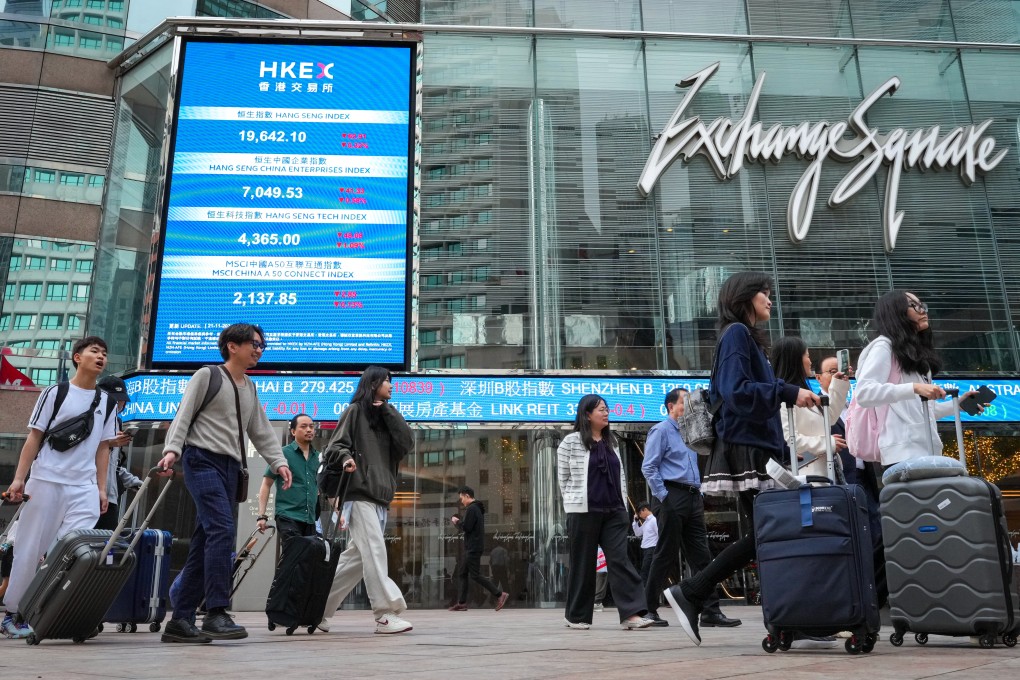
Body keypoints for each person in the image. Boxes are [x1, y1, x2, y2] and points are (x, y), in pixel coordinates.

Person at [664, 272, 820, 646]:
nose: (770, 299)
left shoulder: (743, 337)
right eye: (764, 293)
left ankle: (783, 616)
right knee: (773, 530)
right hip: (749, 447)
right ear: (745, 297)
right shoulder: (736, 334)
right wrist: (787, 391)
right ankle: (695, 592)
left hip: (756, 446)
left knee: (769, 532)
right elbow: (736, 391)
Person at [156, 323, 292, 644]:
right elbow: (184, 414)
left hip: (231, 468)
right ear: (232, 345)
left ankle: (180, 620)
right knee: (222, 530)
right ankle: (216, 610)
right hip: (201, 459)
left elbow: (260, 429)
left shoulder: (250, 387)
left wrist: (280, 462)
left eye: (262, 345)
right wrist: (172, 450)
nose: (259, 350)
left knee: (205, 540)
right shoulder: (208, 375)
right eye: (254, 344)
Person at [2, 336, 118, 639]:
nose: (101, 357)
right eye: (94, 351)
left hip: (84, 486)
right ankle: (14, 612)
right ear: (78, 357)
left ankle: (53, 609)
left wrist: (101, 489)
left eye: (104, 353)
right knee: (29, 547)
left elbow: (103, 448)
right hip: (45, 480)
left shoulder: (107, 402)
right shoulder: (56, 392)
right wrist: (19, 478)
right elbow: (34, 437)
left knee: (73, 549)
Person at [319, 366, 415, 635]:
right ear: (373, 384)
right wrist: (347, 458)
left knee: (357, 560)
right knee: (374, 549)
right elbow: (335, 446)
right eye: (386, 381)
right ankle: (385, 614)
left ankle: (314, 608)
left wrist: (387, 410)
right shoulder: (354, 412)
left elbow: (407, 443)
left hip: (380, 497)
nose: (391, 385)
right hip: (358, 493)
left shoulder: (387, 416)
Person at [641, 388, 741, 629]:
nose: (689, 406)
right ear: (671, 407)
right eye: (684, 402)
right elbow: (649, 467)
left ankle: (710, 611)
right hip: (671, 495)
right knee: (665, 554)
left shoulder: (692, 431)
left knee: (702, 556)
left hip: (693, 496)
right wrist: (664, 497)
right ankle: (648, 609)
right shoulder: (661, 431)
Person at [557, 394, 653, 631]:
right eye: (601, 409)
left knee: (620, 560)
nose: (606, 412)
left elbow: (620, 476)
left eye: (607, 408)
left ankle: (631, 614)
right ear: (587, 414)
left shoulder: (613, 442)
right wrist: (573, 502)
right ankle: (576, 616)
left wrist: (623, 505)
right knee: (583, 563)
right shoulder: (570, 442)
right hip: (583, 512)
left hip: (614, 511)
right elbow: (563, 479)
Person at [855, 290, 982, 466]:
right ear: (896, 312)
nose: (923, 310)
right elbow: (864, 393)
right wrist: (915, 388)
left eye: (922, 305)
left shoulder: (914, 354)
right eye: (914, 306)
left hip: (928, 448)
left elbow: (924, 411)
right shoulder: (884, 346)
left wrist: (958, 405)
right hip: (902, 451)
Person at [816, 355, 888, 609]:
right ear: (819, 378)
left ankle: (874, 595)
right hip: (840, 480)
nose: (837, 374)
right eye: (831, 371)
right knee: (853, 538)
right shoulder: (818, 406)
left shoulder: (854, 404)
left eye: (841, 370)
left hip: (864, 478)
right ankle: (855, 596)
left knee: (878, 535)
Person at [256, 414, 348, 544]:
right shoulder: (282, 454)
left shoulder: (319, 458)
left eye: (311, 426)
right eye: (303, 426)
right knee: (295, 550)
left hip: (310, 519)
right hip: (288, 516)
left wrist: (339, 513)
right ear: (293, 431)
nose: (309, 430)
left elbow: (327, 489)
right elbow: (266, 484)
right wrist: (261, 515)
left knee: (306, 555)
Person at [772, 338, 849, 479]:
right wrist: (828, 442)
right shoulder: (784, 399)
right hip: (807, 478)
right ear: (795, 360)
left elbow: (829, 417)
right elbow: (788, 440)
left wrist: (838, 383)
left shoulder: (803, 393)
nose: (810, 361)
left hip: (826, 474)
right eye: (807, 356)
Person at [448, 486, 509, 612]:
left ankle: (499, 594)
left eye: (462, 498)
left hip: (473, 547)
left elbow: (467, 527)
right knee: (462, 573)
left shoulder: (472, 509)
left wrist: (456, 522)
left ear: (467, 496)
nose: (461, 501)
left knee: (475, 575)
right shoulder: (476, 508)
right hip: (473, 546)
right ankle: (462, 603)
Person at [94, 375, 143, 531]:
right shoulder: (91, 418)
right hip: (87, 494)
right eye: (114, 399)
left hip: (110, 498)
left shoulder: (117, 423)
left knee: (107, 543)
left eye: (121, 400)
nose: (118, 404)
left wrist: (133, 482)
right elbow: (82, 453)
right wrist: (108, 443)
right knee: (82, 541)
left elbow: (113, 465)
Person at [631, 504, 657, 588]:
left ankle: (644, 591)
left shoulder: (653, 520)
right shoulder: (646, 522)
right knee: (645, 571)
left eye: (640, 513)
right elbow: (638, 533)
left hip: (652, 548)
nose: (639, 515)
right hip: (645, 549)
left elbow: (659, 534)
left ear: (645, 510)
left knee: (645, 571)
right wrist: (635, 522)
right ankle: (646, 590)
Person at [593, 546, 608, 612]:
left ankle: (597, 602)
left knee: (601, 574)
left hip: (601, 548)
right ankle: (596, 602)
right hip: (592, 547)